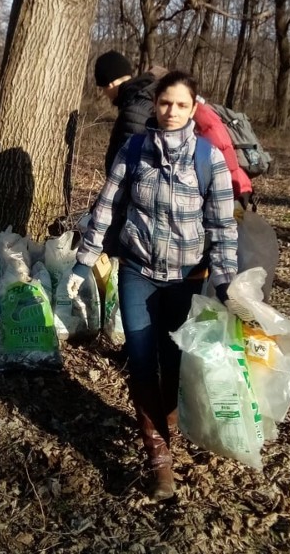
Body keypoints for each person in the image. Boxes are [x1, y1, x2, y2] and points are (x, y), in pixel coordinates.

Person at [67, 71, 238, 501]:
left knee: (173, 359)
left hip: (185, 278)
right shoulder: (135, 148)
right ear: (155, 105)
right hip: (137, 271)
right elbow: (106, 206)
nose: (171, 112)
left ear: (194, 108)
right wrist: (84, 261)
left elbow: (221, 226)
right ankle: (158, 457)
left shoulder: (208, 159)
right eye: (165, 104)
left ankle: (166, 417)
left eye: (181, 105)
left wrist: (225, 281)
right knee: (142, 360)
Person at [94, 50, 253, 204]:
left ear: (111, 83)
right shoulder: (149, 94)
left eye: (102, 88)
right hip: (224, 186)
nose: (171, 111)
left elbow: (131, 167)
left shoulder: (136, 109)